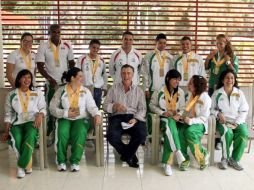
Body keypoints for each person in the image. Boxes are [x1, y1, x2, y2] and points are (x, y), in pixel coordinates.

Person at [49, 67, 101, 172]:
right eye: (80, 76)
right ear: (72, 78)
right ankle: (61, 161)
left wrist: (97, 114)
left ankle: (75, 161)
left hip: (81, 118)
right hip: (65, 118)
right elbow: (52, 108)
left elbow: (92, 106)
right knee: (62, 132)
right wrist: (65, 113)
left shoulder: (85, 91)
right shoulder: (61, 91)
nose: (83, 78)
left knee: (80, 131)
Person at [1, 69, 46, 178]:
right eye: (24, 77)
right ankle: (27, 165)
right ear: (19, 79)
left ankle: (21, 166)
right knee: (16, 137)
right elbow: (8, 114)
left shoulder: (37, 92)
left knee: (30, 135)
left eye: (29, 77)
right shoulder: (11, 94)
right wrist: (6, 131)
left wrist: (40, 115)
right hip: (17, 123)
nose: (27, 80)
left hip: (32, 121)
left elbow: (43, 108)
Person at [36, 24, 75, 144]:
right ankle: (50, 133)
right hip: (51, 84)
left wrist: (69, 75)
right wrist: (49, 78)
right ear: (49, 33)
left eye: (58, 32)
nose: (56, 34)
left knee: (65, 107)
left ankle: (63, 134)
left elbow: (72, 62)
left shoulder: (67, 45)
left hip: (64, 84)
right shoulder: (43, 46)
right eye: (54, 32)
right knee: (50, 108)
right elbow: (39, 66)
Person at [103, 64, 147, 168]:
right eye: (123, 73)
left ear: (133, 75)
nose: (126, 75)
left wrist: (136, 119)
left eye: (128, 73)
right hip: (117, 117)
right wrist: (114, 106)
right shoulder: (113, 89)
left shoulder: (139, 90)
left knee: (142, 135)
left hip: (134, 117)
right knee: (111, 136)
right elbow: (105, 106)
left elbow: (143, 109)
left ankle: (126, 155)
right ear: (120, 74)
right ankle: (129, 155)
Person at [205, 34, 239, 150]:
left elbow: (235, 72)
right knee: (212, 111)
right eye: (218, 42)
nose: (219, 45)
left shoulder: (232, 56)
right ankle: (211, 136)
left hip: (223, 88)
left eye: (222, 43)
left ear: (226, 43)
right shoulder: (214, 54)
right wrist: (208, 58)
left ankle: (218, 140)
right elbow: (206, 68)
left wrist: (228, 62)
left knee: (221, 112)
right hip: (211, 86)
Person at [149, 69, 185, 176]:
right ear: (168, 79)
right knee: (169, 125)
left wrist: (179, 114)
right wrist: (163, 112)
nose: (177, 82)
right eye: (175, 79)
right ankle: (175, 154)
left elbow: (183, 107)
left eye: (178, 80)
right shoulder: (159, 91)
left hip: (177, 119)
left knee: (170, 130)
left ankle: (169, 162)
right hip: (164, 119)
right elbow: (151, 106)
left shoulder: (181, 92)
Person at [211, 70, 248, 171]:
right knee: (228, 133)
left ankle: (234, 159)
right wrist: (218, 114)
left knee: (243, 133)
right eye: (227, 78)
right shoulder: (217, 93)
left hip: (237, 120)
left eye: (232, 78)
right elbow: (211, 109)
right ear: (223, 80)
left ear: (234, 80)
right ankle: (224, 158)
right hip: (223, 121)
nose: (230, 80)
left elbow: (244, 110)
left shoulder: (239, 93)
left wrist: (238, 122)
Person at [178, 75, 211, 171]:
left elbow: (204, 118)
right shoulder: (190, 95)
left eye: (191, 83)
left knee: (190, 132)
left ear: (196, 86)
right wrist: (180, 115)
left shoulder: (206, 98)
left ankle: (202, 157)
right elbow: (185, 108)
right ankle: (184, 159)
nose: (188, 84)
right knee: (180, 131)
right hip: (188, 121)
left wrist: (191, 121)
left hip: (200, 124)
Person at [76, 39, 108, 108]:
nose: (95, 50)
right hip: (85, 88)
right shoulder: (82, 59)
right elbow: (76, 74)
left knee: (96, 110)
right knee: (84, 109)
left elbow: (104, 75)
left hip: (97, 89)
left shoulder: (101, 61)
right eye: (93, 47)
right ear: (89, 47)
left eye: (97, 48)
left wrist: (105, 87)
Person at [143, 33, 174, 100]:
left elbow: (172, 75)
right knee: (152, 109)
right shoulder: (149, 56)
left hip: (166, 89)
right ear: (156, 42)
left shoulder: (170, 57)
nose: (162, 45)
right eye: (160, 43)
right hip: (153, 89)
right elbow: (146, 73)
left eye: (164, 43)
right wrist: (146, 89)